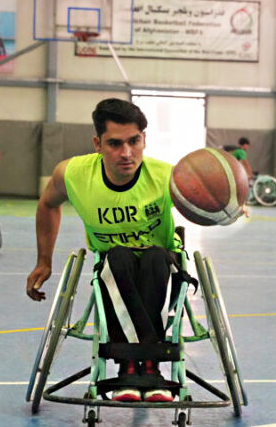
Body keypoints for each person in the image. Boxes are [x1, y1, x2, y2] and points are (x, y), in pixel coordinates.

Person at [26, 98, 178, 402]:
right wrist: (44, 260)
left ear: (144, 139)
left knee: (154, 256)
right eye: (115, 143)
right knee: (118, 257)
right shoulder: (73, 174)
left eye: (134, 141)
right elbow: (47, 204)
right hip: (113, 267)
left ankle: (147, 367)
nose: (126, 153)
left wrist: (227, 204)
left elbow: (207, 204)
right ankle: (131, 367)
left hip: (161, 267)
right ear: (98, 144)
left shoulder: (167, 177)